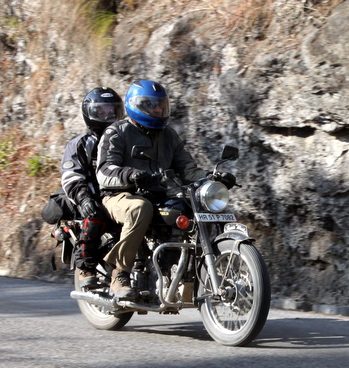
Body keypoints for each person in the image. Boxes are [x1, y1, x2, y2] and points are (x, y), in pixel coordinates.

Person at [96, 80, 236, 300]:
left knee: (195, 205)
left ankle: (184, 271)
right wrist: (129, 175)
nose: (158, 110)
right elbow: (104, 170)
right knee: (139, 208)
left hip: (158, 194)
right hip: (119, 195)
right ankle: (120, 273)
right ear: (136, 105)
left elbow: (188, 169)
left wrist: (211, 179)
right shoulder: (117, 132)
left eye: (160, 105)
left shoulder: (169, 135)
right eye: (151, 105)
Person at [61, 87, 124, 288]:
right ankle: (86, 265)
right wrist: (84, 198)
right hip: (93, 197)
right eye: (101, 111)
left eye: (112, 111)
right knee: (94, 215)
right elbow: (71, 176)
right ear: (90, 113)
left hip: (120, 195)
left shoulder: (123, 140)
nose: (108, 115)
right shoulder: (80, 144)